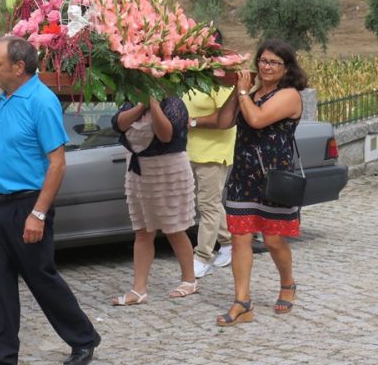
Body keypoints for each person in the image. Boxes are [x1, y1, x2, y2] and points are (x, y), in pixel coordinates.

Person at [0, 37, 100, 365]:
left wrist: (38, 214)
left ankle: (84, 338)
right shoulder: (1, 96)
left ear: (18, 67)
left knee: (41, 279)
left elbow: (57, 163)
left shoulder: (41, 101)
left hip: (28, 205)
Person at [207, 39, 307, 326]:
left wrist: (242, 93)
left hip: (273, 179)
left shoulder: (290, 95)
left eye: (274, 62)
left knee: (273, 240)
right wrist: (235, 90)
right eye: (263, 60)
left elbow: (258, 119)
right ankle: (242, 302)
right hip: (243, 176)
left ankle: (287, 283)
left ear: (287, 67)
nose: (266, 67)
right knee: (240, 238)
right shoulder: (250, 93)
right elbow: (224, 122)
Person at [110, 96, 197, 306]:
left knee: (174, 228)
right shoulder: (130, 102)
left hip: (169, 170)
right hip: (139, 172)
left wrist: (154, 104)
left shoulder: (173, 104)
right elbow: (119, 124)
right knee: (142, 231)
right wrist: (142, 104)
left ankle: (189, 280)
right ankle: (138, 289)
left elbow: (166, 135)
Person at [184, 86, 236, 278]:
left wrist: (193, 122)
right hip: (191, 150)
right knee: (209, 203)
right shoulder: (190, 79)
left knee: (208, 205)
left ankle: (203, 257)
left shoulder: (221, 83)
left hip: (213, 152)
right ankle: (229, 242)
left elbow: (227, 118)